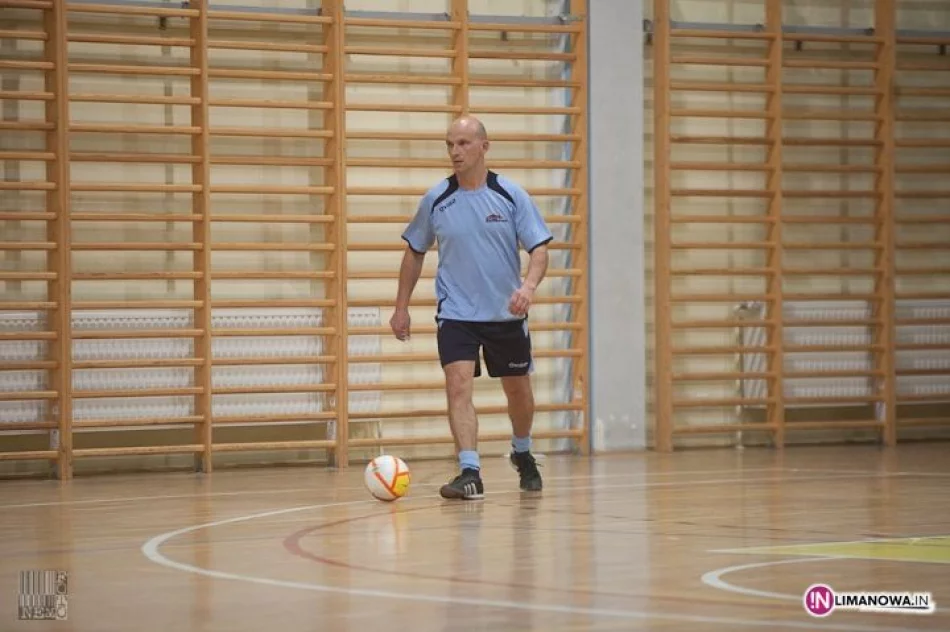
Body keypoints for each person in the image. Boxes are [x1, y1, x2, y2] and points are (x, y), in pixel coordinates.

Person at [389, 116, 553, 500]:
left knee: (519, 393)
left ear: (484, 146)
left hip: (505, 314)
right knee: (457, 385)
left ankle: (523, 452)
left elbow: (540, 250)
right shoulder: (437, 200)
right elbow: (414, 252)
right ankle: (470, 471)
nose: (455, 152)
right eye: (450, 144)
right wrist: (401, 308)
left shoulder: (511, 195)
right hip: (456, 314)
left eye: (463, 143)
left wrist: (528, 287)